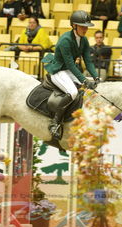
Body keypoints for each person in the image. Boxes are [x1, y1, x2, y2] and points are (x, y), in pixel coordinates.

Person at [42, 10, 100, 140]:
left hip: (68, 70)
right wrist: (84, 80)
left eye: (86, 26)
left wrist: (96, 77)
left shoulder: (84, 40)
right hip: (58, 70)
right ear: (74, 25)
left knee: (87, 90)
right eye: (82, 26)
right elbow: (70, 64)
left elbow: (88, 61)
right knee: (73, 92)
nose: (85, 29)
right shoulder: (65, 40)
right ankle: (55, 122)